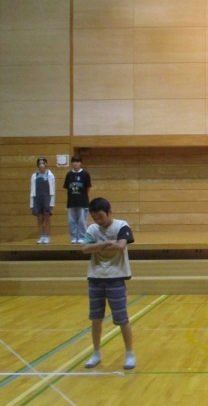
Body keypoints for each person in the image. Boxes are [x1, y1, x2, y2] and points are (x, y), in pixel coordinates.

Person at [82, 197, 136, 370]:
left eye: (100, 216)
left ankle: (129, 353)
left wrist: (97, 246)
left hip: (116, 278)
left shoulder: (121, 226)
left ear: (109, 212)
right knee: (96, 318)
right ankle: (96, 353)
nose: (98, 220)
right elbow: (85, 249)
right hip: (95, 278)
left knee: (122, 318)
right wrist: (106, 243)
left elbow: (120, 246)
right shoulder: (92, 229)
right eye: (94, 217)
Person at [63, 155, 92, 244]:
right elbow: (67, 188)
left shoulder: (85, 174)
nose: (75, 163)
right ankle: (74, 237)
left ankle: (82, 236)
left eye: (78, 162)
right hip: (71, 202)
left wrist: (84, 198)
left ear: (81, 163)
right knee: (71, 221)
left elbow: (88, 187)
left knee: (82, 221)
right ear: (72, 163)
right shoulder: (69, 174)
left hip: (82, 202)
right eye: (74, 162)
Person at [30, 157, 55, 244]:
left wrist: (52, 204)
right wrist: (32, 204)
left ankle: (47, 237)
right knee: (40, 219)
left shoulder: (50, 175)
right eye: (40, 164)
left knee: (47, 219)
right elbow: (32, 191)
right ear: (38, 165)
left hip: (47, 199)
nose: (41, 165)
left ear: (45, 164)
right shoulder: (34, 176)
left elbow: (53, 191)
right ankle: (41, 237)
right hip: (37, 199)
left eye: (43, 163)